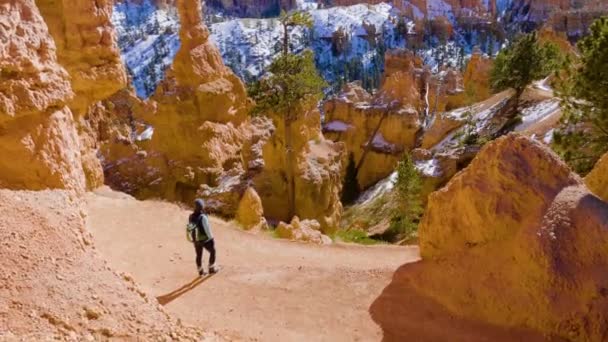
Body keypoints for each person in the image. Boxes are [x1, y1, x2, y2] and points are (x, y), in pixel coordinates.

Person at [188, 199, 218, 276]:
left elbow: (190, 228)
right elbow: (207, 229)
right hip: (205, 240)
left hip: (196, 240)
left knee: (199, 255)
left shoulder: (191, 216)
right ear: (202, 207)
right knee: (213, 251)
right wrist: (211, 238)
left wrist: (193, 239)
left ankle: (200, 271)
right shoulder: (203, 216)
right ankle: (211, 268)